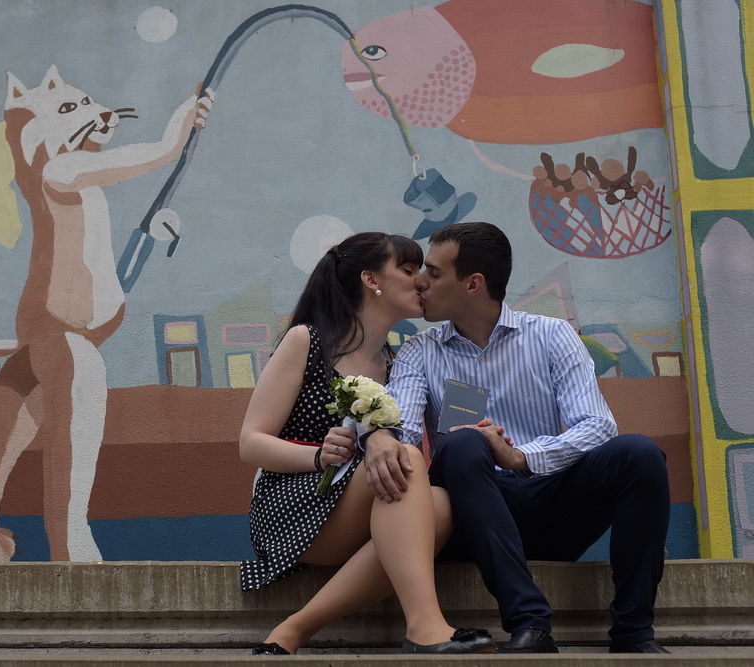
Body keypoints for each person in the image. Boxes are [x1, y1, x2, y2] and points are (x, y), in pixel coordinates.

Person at [365, 221, 671, 654]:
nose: (420, 282)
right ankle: (530, 623)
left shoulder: (551, 335)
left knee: (639, 453)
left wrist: (520, 457)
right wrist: (376, 435)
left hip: (551, 503)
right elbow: (406, 428)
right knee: (462, 443)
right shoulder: (421, 350)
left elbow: (598, 425)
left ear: (473, 283)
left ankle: (634, 631)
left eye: (433, 273)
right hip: (473, 518)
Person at [238, 232, 495, 656]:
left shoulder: (400, 360)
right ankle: (426, 626)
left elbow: (445, 435)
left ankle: (295, 628)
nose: (421, 281)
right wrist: (319, 456)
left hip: (373, 504)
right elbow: (251, 443)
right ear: (371, 280)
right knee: (406, 458)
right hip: (295, 504)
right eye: (409, 270)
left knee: (445, 506)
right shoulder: (309, 340)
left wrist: (482, 432)